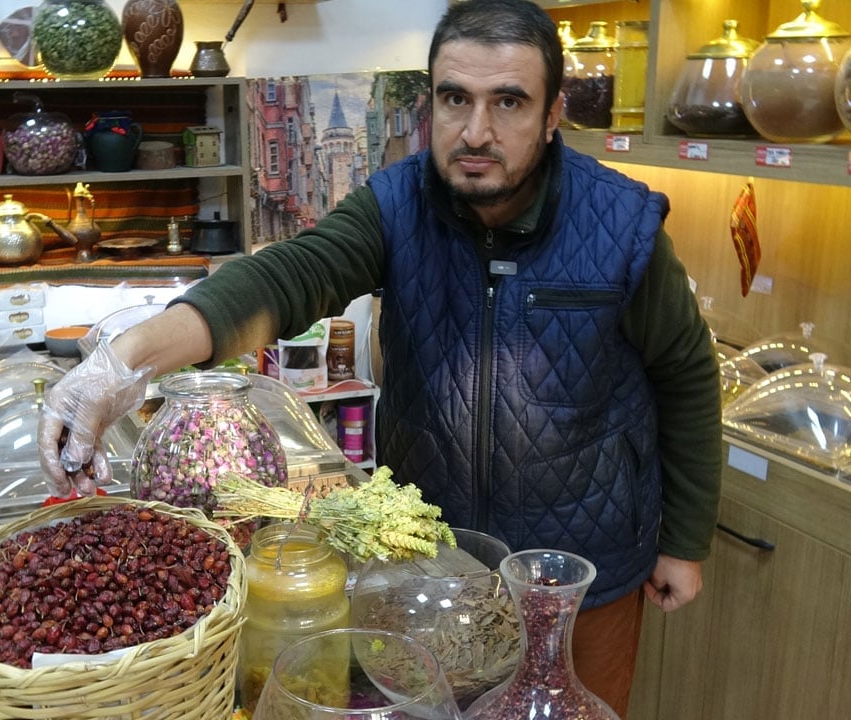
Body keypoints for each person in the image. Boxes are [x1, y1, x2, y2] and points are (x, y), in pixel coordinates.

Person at [38, 0, 721, 715]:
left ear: (553, 115)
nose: (476, 131)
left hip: (579, 574)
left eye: (509, 102)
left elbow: (686, 376)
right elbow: (286, 276)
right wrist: (123, 362)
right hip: (427, 565)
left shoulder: (622, 225)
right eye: (456, 98)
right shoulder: (398, 204)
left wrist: (684, 538)